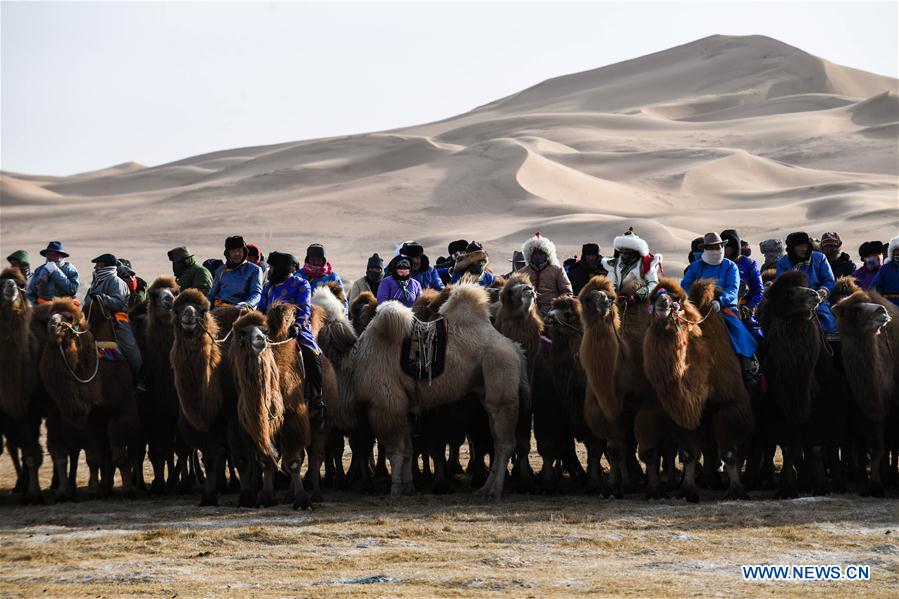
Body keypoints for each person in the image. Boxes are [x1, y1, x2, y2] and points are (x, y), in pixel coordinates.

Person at [682, 233, 760, 384]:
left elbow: (733, 288)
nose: (716, 249)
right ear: (705, 249)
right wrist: (690, 302)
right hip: (697, 308)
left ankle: (751, 368)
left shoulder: (730, 266)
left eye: (719, 246)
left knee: (740, 334)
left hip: (724, 309)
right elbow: (685, 286)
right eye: (711, 247)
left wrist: (720, 302)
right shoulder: (695, 267)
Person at [258, 252, 325, 410]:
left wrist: (298, 326)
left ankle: (316, 396)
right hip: (269, 330)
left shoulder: (301, 284)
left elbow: (304, 309)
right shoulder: (268, 287)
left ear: (282, 269)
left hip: (295, 329)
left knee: (310, 355)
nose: (270, 271)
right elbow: (261, 309)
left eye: (273, 268)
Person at [83, 253, 145, 392]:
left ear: (105, 266)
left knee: (131, 349)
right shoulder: (95, 283)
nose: (95, 267)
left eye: (98, 264)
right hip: (94, 320)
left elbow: (118, 303)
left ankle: (139, 378)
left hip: (116, 320)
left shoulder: (116, 282)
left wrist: (102, 298)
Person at [776, 231, 837, 338]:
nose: (804, 249)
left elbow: (829, 281)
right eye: (800, 246)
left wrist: (820, 295)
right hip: (792, 302)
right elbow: (782, 286)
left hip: (818, 300)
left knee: (828, 325)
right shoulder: (783, 263)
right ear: (792, 248)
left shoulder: (819, 258)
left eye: (805, 246)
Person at [721, 229, 763, 341]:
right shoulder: (717, 264)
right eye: (722, 246)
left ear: (735, 247)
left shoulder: (749, 264)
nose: (725, 250)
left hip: (743, 311)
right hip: (719, 309)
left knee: (758, 338)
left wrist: (750, 308)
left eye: (728, 246)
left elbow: (759, 290)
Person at [601, 228, 663, 302]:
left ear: (635, 250)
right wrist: (615, 293)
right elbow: (610, 283)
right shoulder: (614, 264)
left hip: (640, 301)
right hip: (618, 300)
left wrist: (637, 296)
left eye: (627, 250)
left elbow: (653, 284)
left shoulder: (646, 264)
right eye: (622, 249)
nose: (624, 253)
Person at [518, 233, 573, 316]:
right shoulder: (522, 273)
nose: (537, 256)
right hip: (528, 313)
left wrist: (556, 305)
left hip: (552, 313)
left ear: (547, 254)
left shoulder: (557, 270)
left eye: (540, 253)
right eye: (534, 253)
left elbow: (567, 291)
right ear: (529, 255)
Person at [207, 236, 263, 309]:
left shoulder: (254, 270)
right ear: (228, 254)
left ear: (244, 252)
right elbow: (212, 294)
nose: (236, 254)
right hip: (219, 309)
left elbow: (256, 293)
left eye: (239, 250)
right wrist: (202, 306)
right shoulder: (221, 270)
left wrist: (247, 304)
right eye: (233, 251)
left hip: (241, 311)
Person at [872, 235, 899, 307]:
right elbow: (875, 288)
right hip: (889, 306)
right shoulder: (885, 269)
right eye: (896, 253)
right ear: (892, 253)